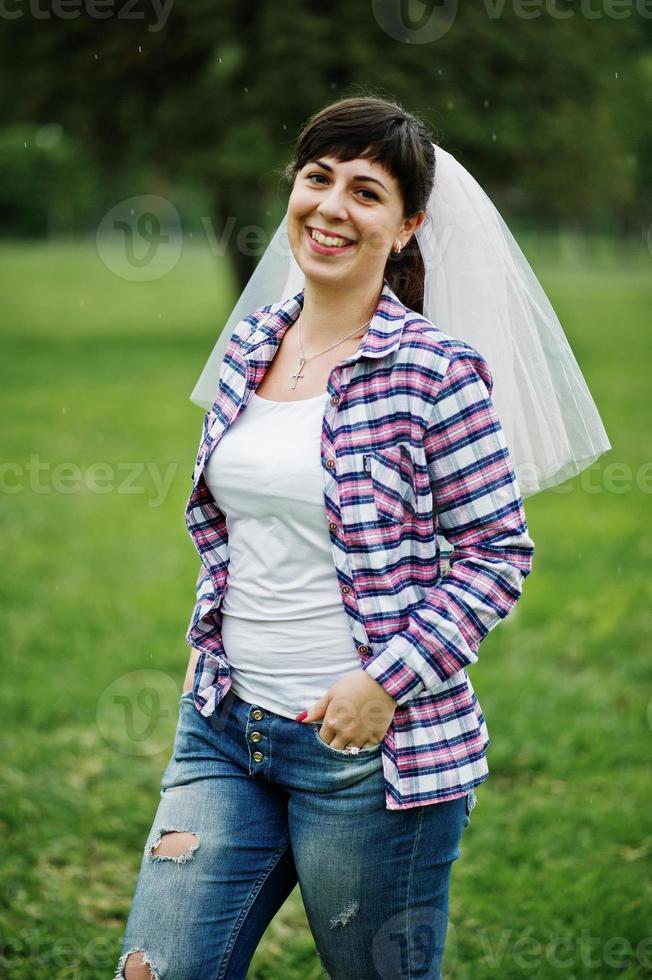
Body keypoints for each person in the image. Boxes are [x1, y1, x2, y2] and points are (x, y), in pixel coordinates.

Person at [114, 95, 606, 980]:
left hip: (371, 754)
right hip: (223, 729)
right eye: (317, 177)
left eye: (367, 191)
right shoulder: (251, 344)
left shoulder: (436, 372)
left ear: (407, 224)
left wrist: (383, 683)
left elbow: (498, 555)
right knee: (155, 969)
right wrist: (209, 641)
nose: (332, 206)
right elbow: (236, 521)